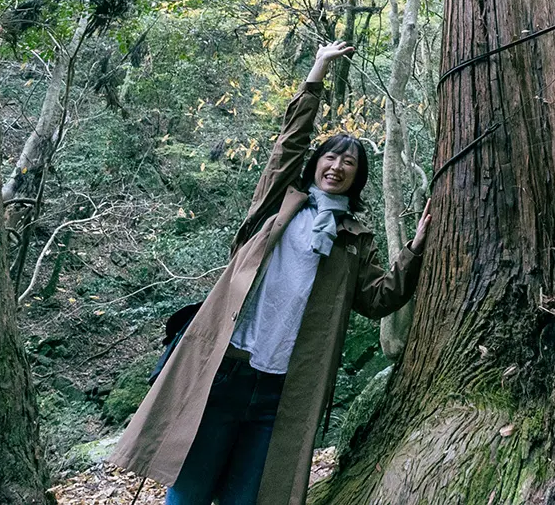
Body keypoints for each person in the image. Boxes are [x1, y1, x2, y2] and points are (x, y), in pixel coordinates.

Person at [109, 40, 430, 505]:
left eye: (350, 162)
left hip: (284, 390)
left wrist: (416, 250)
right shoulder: (279, 206)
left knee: (252, 498)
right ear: (317, 162)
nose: (337, 166)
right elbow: (288, 146)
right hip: (226, 371)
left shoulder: (354, 239)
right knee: (191, 492)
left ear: (357, 178)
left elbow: (379, 298)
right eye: (331, 156)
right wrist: (316, 72)